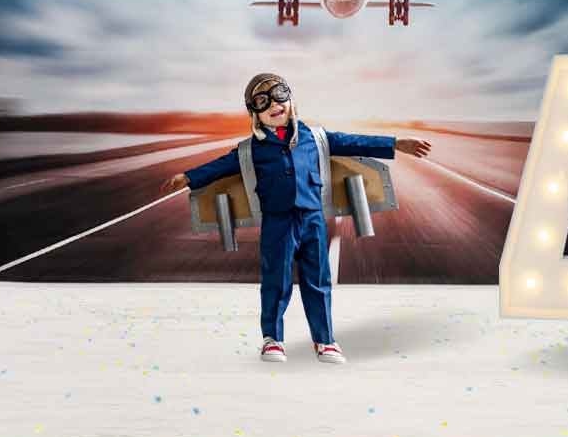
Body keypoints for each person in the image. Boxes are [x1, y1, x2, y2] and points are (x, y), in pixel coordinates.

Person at [162, 72, 431, 364]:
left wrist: (395, 144)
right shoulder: (250, 149)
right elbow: (220, 166)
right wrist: (188, 177)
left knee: (318, 280)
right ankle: (272, 340)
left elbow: (355, 142)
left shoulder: (316, 138)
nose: (274, 105)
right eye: (263, 102)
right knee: (276, 281)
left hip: (313, 220)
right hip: (277, 222)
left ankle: (325, 340)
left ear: (290, 99)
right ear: (254, 113)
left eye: (279, 95)